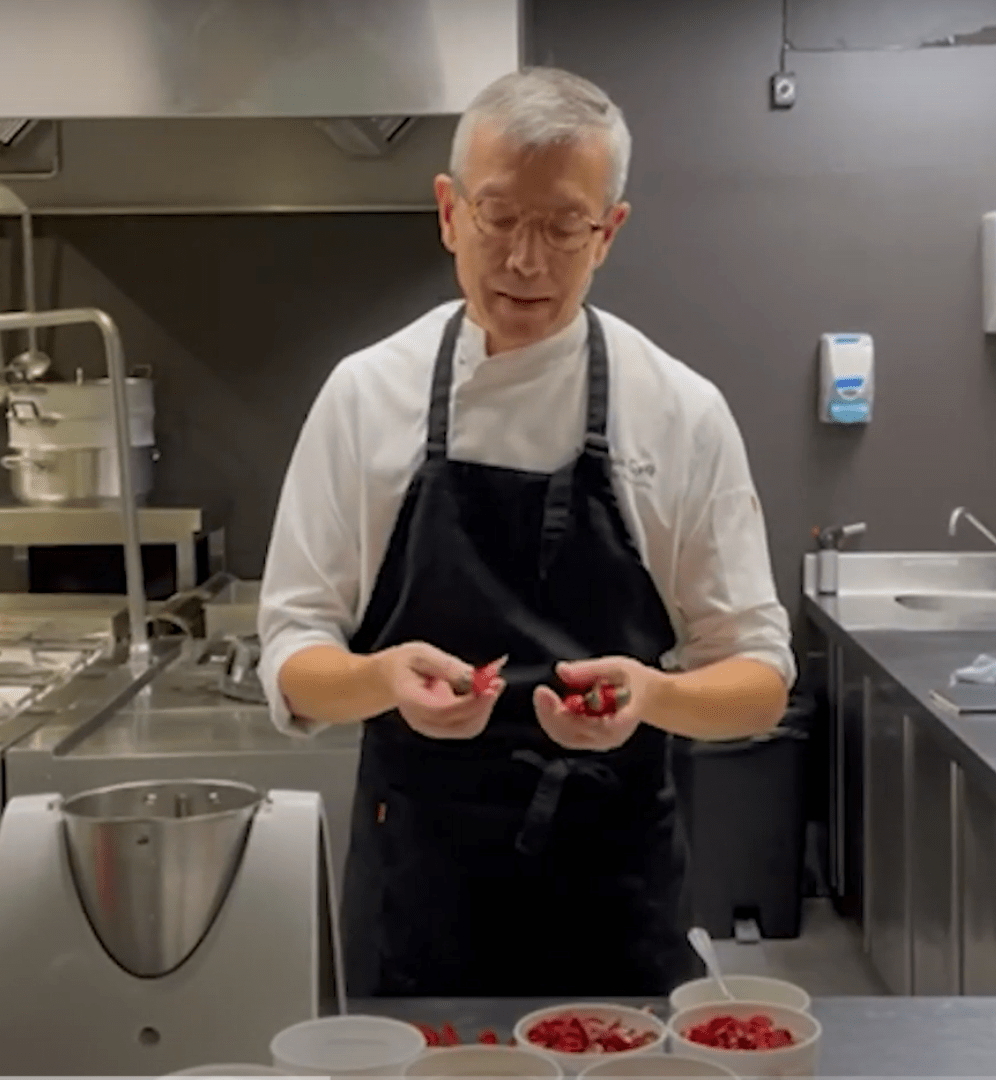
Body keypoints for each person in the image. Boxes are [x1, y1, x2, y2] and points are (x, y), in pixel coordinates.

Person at [258, 66, 796, 999]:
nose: (526, 261)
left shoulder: (679, 411)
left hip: (613, 891)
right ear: (448, 211)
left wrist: (653, 698)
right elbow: (292, 651)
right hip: (418, 890)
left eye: (564, 226)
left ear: (610, 231)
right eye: (501, 218)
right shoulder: (364, 396)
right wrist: (382, 679)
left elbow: (757, 679)